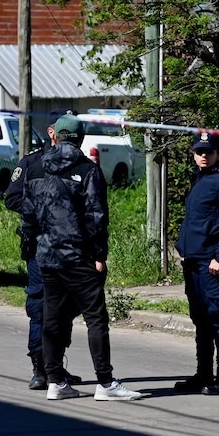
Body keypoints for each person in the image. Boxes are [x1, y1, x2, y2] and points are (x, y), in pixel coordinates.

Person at [29, 115, 144, 401]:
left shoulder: (36, 167)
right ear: (79, 139)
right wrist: (99, 255)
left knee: (52, 319)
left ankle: (55, 381)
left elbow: (28, 214)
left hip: (47, 256)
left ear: (56, 136)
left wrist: (37, 244)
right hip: (78, 256)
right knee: (96, 318)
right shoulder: (87, 170)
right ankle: (105, 383)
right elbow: (96, 217)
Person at [3, 125, 80, 391]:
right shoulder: (32, 162)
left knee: (66, 306)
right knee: (39, 304)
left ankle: (56, 366)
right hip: (38, 245)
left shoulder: (80, 164)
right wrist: (42, 211)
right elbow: (12, 198)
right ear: (51, 133)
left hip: (71, 247)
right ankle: (39, 367)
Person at [174, 132, 219, 395]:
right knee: (201, 319)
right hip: (193, 261)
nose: (203, 156)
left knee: (217, 318)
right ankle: (203, 374)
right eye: (199, 151)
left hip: (210, 263)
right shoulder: (199, 179)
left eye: (209, 152)